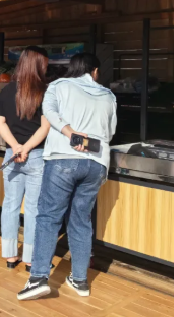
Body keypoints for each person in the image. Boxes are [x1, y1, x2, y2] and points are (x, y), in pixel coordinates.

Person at [19, 53, 117, 301]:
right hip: (96, 163)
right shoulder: (108, 95)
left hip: (63, 158)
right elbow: (110, 132)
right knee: (81, 220)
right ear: (95, 71)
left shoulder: (58, 86)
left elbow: (49, 112)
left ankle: (38, 279)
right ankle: (80, 280)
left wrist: (70, 131)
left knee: (49, 217)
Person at [0, 46, 50, 271]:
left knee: (10, 204)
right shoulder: (44, 92)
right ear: (38, 64)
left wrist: (15, 147)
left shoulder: (7, 90)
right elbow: (45, 127)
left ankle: (10, 256)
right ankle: (29, 258)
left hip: (12, 155)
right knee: (34, 208)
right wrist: (26, 147)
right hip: (35, 155)